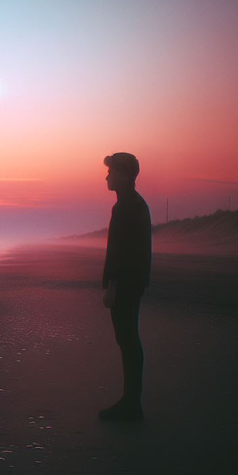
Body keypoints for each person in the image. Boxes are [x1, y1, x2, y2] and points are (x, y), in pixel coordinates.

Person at [99, 152, 152, 421]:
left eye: (111, 171)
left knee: (128, 340)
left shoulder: (127, 206)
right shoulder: (133, 204)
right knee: (129, 340)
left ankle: (131, 405)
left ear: (125, 174)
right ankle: (131, 401)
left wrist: (113, 286)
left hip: (126, 285)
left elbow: (125, 252)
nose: (107, 176)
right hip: (133, 283)